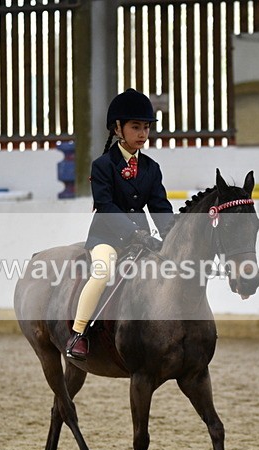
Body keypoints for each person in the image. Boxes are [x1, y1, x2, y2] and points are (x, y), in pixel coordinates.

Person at [65, 88, 174, 361]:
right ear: (118, 128)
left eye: (146, 127)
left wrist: (172, 236)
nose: (142, 133)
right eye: (135, 127)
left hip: (143, 239)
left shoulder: (151, 167)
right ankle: (79, 334)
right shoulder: (103, 165)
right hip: (108, 237)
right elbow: (105, 206)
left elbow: (159, 206)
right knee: (102, 272)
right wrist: (134, 233)